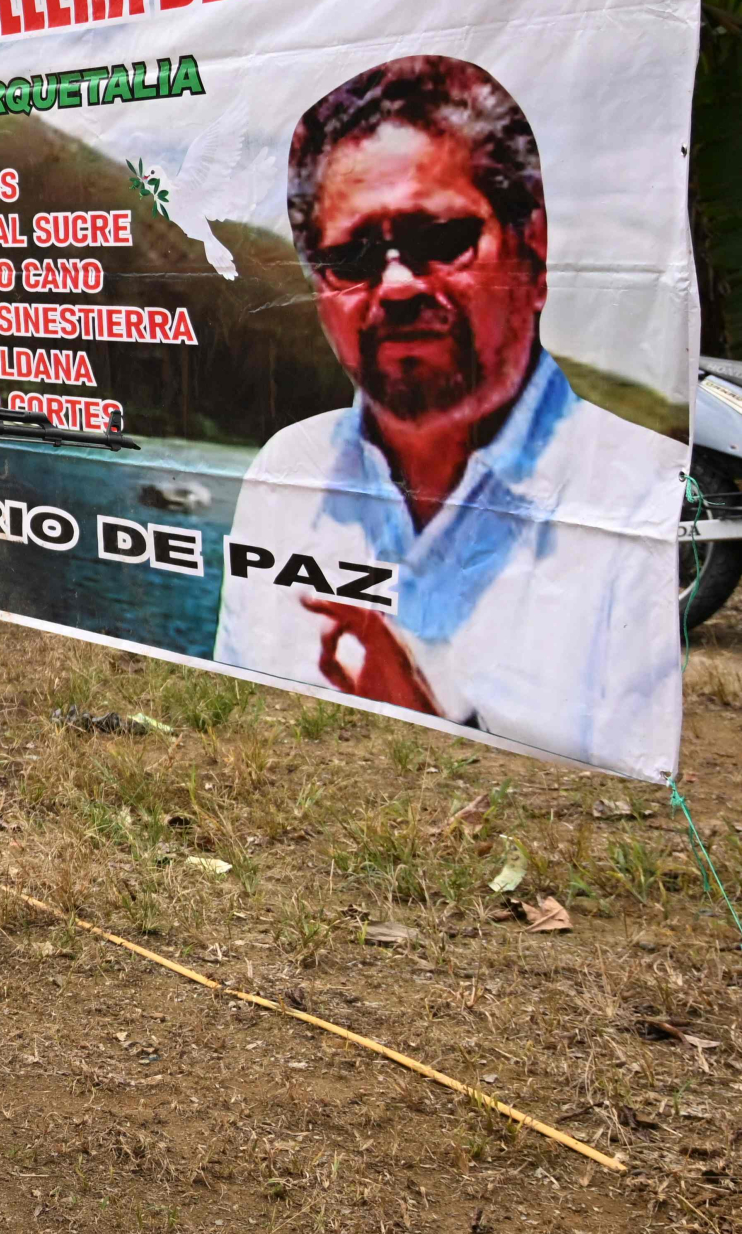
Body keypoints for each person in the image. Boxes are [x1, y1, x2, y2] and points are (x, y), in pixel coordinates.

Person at [215, 55, 682, 776]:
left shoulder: (632, 488)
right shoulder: (288, 471)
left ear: (532, 246)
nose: (397, 285)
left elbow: (627, 782)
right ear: (316, 288)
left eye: (440, 240)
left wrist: (432, 723)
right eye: (352, 255)